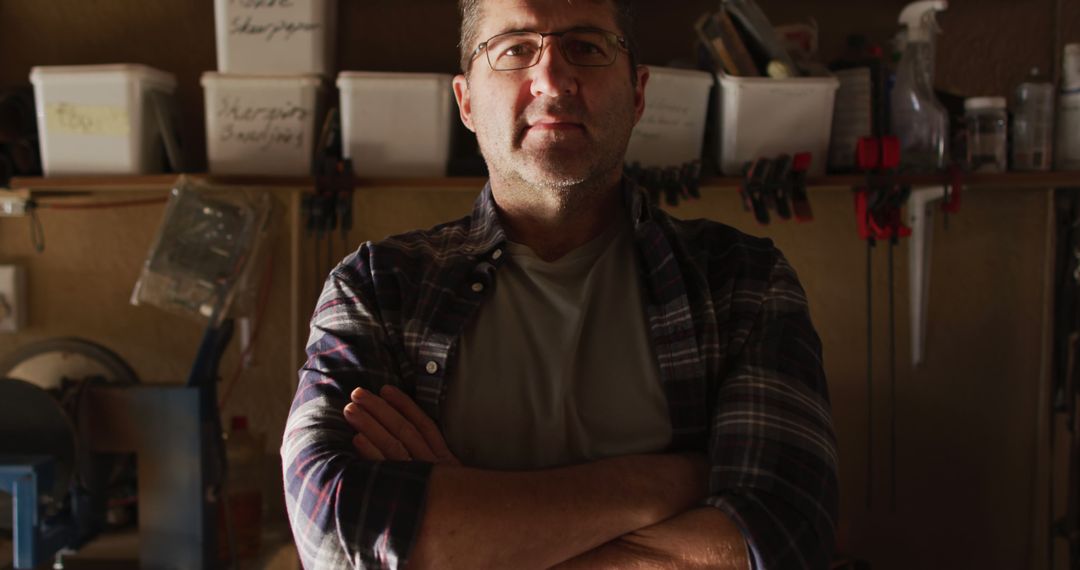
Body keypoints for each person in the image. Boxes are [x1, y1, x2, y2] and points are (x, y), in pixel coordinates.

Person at [282, 0, 838, 568]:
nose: (551, 76)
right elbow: (332, 531)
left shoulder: (744, 283)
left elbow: (782, 538)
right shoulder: (376, 288)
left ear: (638, 93)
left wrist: (468, 540)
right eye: (516, 49)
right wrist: (665, 485)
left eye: (587, 47)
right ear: (467, 102)